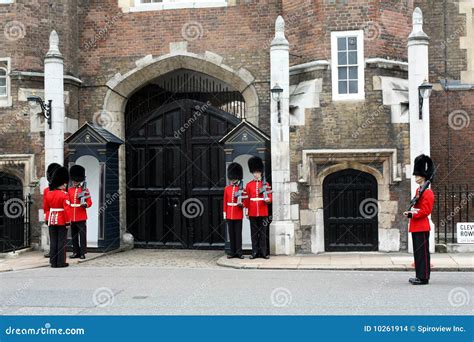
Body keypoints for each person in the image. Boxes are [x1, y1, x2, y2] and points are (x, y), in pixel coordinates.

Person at [403, 154, 435, 285]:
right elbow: (417, 207)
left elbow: (426, 211)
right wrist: (410, 212)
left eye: (417, 175)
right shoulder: (419, 191)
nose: (415, 177)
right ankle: (419, 275)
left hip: (422, 226)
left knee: (422, 254)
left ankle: (424, 277)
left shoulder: (427, 192)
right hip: (416, 226)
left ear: (423, 176)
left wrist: (411, 214)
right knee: (418, 253)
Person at [244, 156, 272, 259]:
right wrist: (246, 211)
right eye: (254, 173)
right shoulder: (249, 185)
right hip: (252, 212)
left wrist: (268, 200)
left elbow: (270, 196)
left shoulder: (266, 184)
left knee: (263, 233)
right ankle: (254, 252)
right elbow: (246, 199)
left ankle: (263, 252)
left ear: (260, 173)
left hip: (263, 211)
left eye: (257, 172)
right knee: (254, 234)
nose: (256, 174)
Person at [43, 166, 71, 268]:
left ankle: (53, 262)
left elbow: (46, 208)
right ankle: (60, 262)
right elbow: (67, 210)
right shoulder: (64, 194)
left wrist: (47, 219)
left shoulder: (49, 194)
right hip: (62, 220)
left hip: (51, 219)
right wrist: (68, 221)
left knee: (53, 241)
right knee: (61, 242)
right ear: (62, 183)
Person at [68, 165, 92, 260]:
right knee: (74, 236)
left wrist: (85, 204)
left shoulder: (85, 190)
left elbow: (90, 202)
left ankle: (82, 252)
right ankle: (75, 252)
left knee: (82, 236)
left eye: (76, 181)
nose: (74, 182)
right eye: (73, 181)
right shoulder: (70, 190)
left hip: (81, 215)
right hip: (72, 215)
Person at [223, 162, 246, 259]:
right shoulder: (227, 189)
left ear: (238, 178)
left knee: (238, 234)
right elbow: (225, 202)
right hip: (229, 213)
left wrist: (242, 205)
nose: (233, 180)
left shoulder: (241, 189)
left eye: (234, 178)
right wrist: (225, 213)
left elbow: (245, 201)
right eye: (232, 178)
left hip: (238, 213)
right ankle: (232, 252)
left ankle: (239, 252)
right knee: (231, 234)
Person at [43, 163, 61, 258]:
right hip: (51, 216)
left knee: (61, 237)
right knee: (52, 237)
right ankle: (52, 252)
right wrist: (46, 216)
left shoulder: (63, 190)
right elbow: (46, 206)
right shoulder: (46, 190)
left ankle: (60, 253)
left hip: (61, 216)